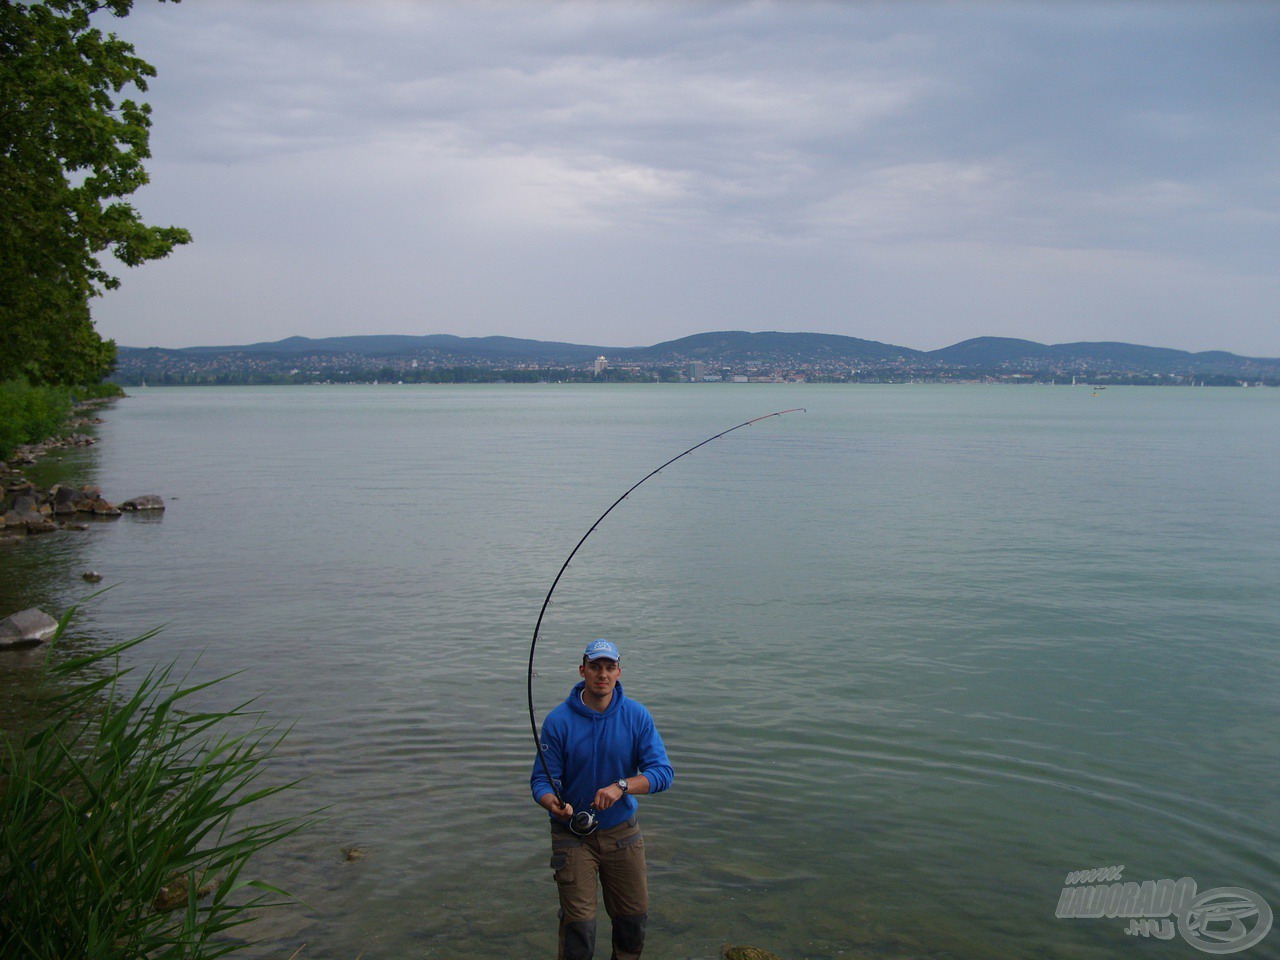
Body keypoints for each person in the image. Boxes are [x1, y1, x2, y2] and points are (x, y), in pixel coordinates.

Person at [531, 638, 674, 960]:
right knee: (579, 928)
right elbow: (541, 780)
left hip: (622, 833)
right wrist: (551, 802)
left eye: (610, 667)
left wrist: (621, 786)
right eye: (595, 666)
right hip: (571, 835)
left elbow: (662, 773)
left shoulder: (637, 716)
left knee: (633, 921)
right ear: (582, 670)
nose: (602, 674)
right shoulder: (558, 721)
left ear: (619, 672)